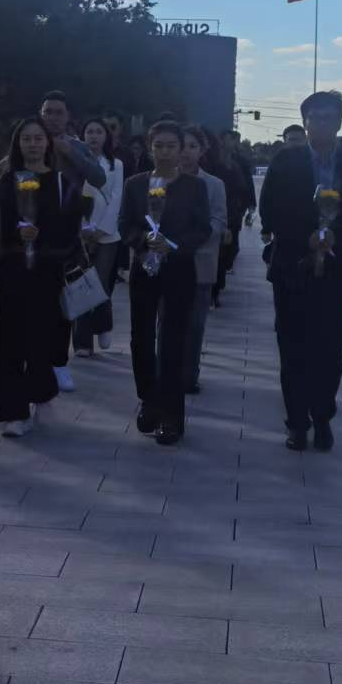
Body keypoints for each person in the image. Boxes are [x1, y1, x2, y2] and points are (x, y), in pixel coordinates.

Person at [259, 89, 342, 453]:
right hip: (293, 266)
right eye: (315, 118)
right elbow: (270, 209)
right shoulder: (286, 161)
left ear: (340, 122)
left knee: (330, 346)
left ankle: (323, 415)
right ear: (305, 123)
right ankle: (297, 422)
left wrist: (335, 234)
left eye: (329, 118)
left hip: (338, 268)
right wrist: (307, 237)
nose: (322, 124)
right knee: (292, 344)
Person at [0, 117, 85, 438]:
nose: (32, 144)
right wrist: (16, 234)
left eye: (38, 138)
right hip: (11, 269)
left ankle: (41, 391)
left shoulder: (61, 182)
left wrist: (41, 236)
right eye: (26, 139)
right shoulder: (5, 181)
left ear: (48, 143)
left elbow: (71, 228)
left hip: (47, 270)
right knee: (8, 340)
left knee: (42, 336)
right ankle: (13, 411)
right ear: (18, 144)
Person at [119, 120, 211, 446]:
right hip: (144, 267)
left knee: (173, 340)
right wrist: (144, 239)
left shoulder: (194, 187)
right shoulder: (134, 184)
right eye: (159, 145)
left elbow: (202, 229)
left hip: (179, 268)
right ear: (150, 148)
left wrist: (172, 245)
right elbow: (125, 224)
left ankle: (172, 415)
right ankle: (149, 399)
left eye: (172, 145)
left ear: (182, 149)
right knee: (141, 337)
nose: (165, 152)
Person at [73, 116, 126, 357]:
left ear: (106, 137)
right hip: (80, 233)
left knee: (101, 283)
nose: (93, 136)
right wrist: (82, 229)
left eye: (98, 132)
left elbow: (116, 198)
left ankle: (104, 324)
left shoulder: (116, 165)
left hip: (107, 234)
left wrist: (102, 229)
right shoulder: (75, 161)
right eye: (89, 132)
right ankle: (82, 342)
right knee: (81, 284)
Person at [181, 126, 227, 393]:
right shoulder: (161, 181)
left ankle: (190, 374)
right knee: (167, 321)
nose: (186, 152)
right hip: (169, 260)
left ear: (202, 150)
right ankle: (167, 370)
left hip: (201, 260)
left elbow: (219, 220)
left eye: (192, 146)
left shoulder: (214, 184)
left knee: (196, 323)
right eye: (182, 145)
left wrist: (196, 238)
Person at [213, 129, 258, 305]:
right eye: (229, 139)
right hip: (216, 210)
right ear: (221, 141)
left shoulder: (239, 162)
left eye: (234, 140)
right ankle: (215, 289)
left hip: (234, 210)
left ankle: (221, 277)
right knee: (218, 250)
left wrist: (250, 204)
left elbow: (247, 184)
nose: (233, 143)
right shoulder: (212, 162)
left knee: (230, 248)